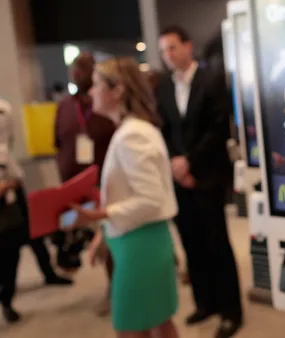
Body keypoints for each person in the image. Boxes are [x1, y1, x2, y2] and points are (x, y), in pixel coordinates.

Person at [72, 57, 179, 338]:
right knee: (158, 323)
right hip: (142, 240)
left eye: (96, 85)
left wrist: (97, 216)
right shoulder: (135, 130)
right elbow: (134, 196)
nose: (91, 92)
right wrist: (102, 234)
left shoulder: (132, 135)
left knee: (132, 329)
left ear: (117, 90)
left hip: (140, 246)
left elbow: (150, 198)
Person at [157, 25, 242, 337]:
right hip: (178, 179)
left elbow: (219, 128)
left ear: (188, 46)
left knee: (217, 242)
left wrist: (189, 162)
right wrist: (175, 163)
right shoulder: (163, 86)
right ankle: (205, 303)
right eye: (163, 50)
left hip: (207, 174)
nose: (168, 55)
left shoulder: (211, 79)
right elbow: (163, 129)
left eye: (172, 48)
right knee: (191, 243)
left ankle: (231, 312)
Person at [53, 52, 116, 314]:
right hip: (74, 187)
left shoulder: (104, 107)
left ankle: (116, 288)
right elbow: (57, 143)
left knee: (111, 237)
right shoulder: (64, 107)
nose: (76, 74)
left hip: (105, 185)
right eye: (73, 69)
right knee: (84, 235)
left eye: (82, 69)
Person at [0, 99, 27, 323]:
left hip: (9, 198)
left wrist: (12, 182)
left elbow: (9, 144)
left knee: (12, 250)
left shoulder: (5, 108)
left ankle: (7, 299)